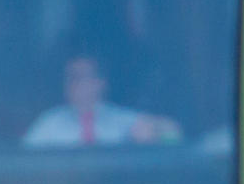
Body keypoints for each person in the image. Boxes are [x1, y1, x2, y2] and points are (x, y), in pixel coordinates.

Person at [22, 55, 179, 148]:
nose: (74, 84)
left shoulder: (121, 120)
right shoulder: (50, 124)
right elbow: (25, 160)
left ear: (100, 83)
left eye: (80, 77)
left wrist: (156, 130)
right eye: (70, 78)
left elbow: (174, 133)